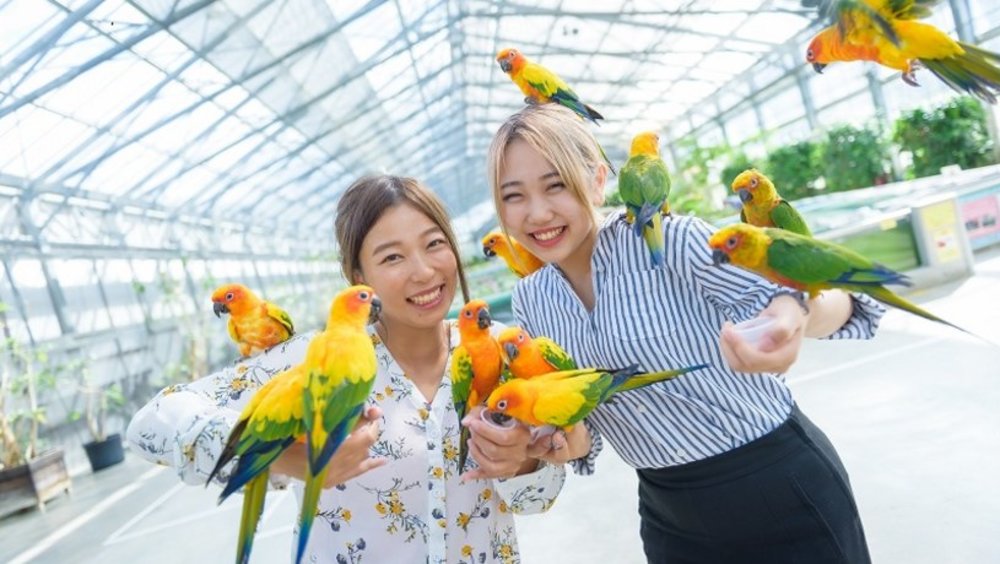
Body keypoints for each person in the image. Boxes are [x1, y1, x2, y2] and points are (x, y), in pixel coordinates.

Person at [484, 104, 887, 563]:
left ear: (597, 181)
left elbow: (842, 303)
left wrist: (793, 312)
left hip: (777, 485)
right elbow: (586, 429)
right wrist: (553, 442)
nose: (537, 213)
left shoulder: (673, 241)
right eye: (513, 196)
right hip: (669, 514)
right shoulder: (532, 301)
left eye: (555, 185)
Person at [127, 175, 565, 564]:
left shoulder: (506, 351)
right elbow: (150, 424)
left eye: (434, 243)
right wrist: (288, 457)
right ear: (359, 275)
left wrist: (520, 464)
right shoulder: (313, 361)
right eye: (392, 258)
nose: (424, 271)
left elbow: (538, 497)